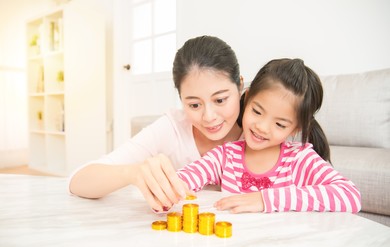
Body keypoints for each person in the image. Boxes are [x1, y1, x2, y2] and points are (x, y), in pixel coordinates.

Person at [69, 35, 245, 212]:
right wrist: (133, 173)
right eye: (194, 105)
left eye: (220, 100)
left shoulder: (262, 131)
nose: (209, 116)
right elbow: (78, 181)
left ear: (240, 87)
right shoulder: (172, 128)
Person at [177, 58, 362, 214]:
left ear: (296, 129)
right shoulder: (226, 156)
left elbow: (350, 195)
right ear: (247, 98)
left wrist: (266, 199)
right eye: (257, 112)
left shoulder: (299, 160)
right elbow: (187, 177)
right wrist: (167, 186)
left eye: (280, 124)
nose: (262, 127)